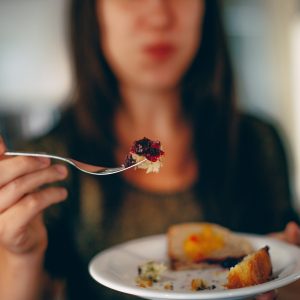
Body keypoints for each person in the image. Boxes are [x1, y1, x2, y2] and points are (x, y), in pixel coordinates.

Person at [0, 0, 299, 299]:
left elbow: (286, 277)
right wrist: (23, 255)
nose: (159, 16)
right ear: (93, 11)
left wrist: (287, 279)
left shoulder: (259, 141)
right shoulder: (43, 166)